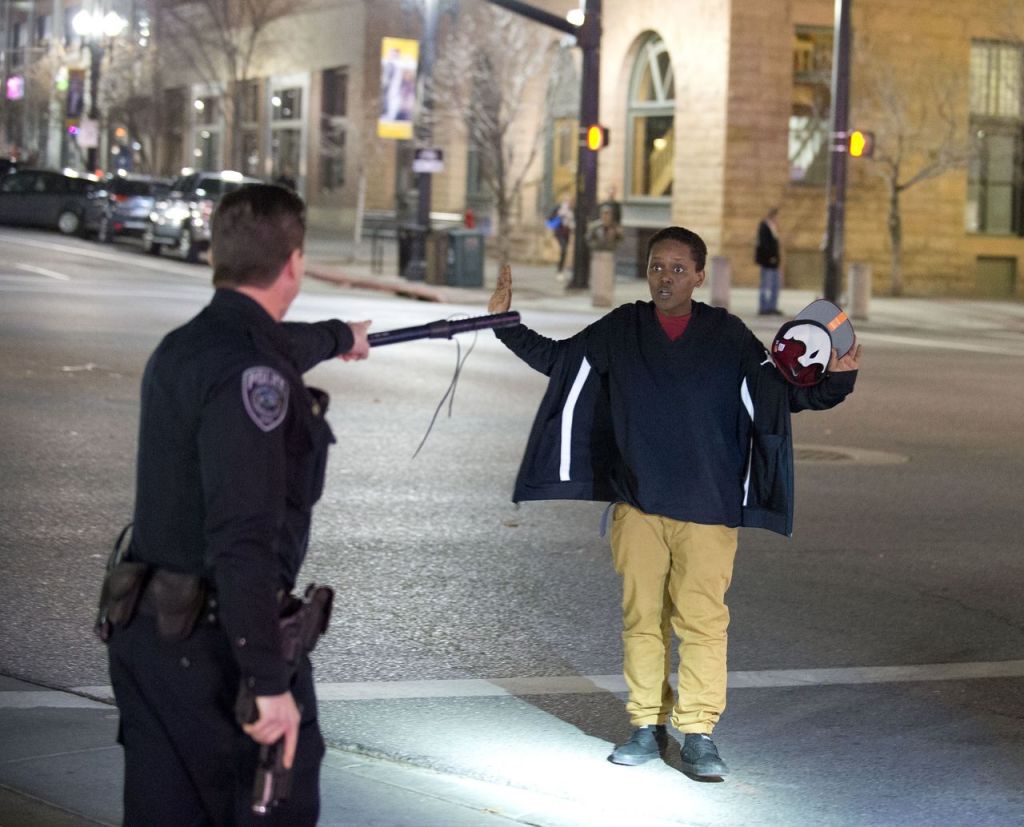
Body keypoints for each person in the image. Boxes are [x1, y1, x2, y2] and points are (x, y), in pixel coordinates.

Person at [487, 226, 860, 779]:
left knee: (703, 622)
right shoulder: (623, 327)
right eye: (658, 267)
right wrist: (504, 324)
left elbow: (782, 396)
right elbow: (560, 360)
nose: (667, 277)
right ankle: (645, 724)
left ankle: (699, 732)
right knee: (643, 619)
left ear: (700, 277)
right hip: (639, 504)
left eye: (679, 269)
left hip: (709, 509)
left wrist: (838, 382)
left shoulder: (727, 336)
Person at [104, 184, 371, 824]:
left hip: (149, 639)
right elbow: (243, 538)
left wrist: (340, 337)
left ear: (215, 258)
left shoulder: (185, 346)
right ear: (295, 263)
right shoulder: (255, 374)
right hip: (215, 654)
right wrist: (270, 684)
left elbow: (271, 342)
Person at [755, 206, 782, 315]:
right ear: (773, 216)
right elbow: (764, 244)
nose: (779, 220)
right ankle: (764, 307)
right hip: (768, 262)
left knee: (774, 285)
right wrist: (770, 257)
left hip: (774, 263)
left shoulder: (773, 227)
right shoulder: (765, 227)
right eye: (777, 217)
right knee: (766, 285)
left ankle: (772, 306)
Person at [549, 193, 575, 279]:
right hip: (559, 232)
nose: (567, 202)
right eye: (565, 200)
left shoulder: (571, 210)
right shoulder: (558, 208)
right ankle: (559, 270)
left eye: (568, 200)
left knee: (565, 251)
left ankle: (561, 269)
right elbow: (549, 219)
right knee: (563, 249)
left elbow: (573, 221)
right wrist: (559, 216)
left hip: (567, 232)